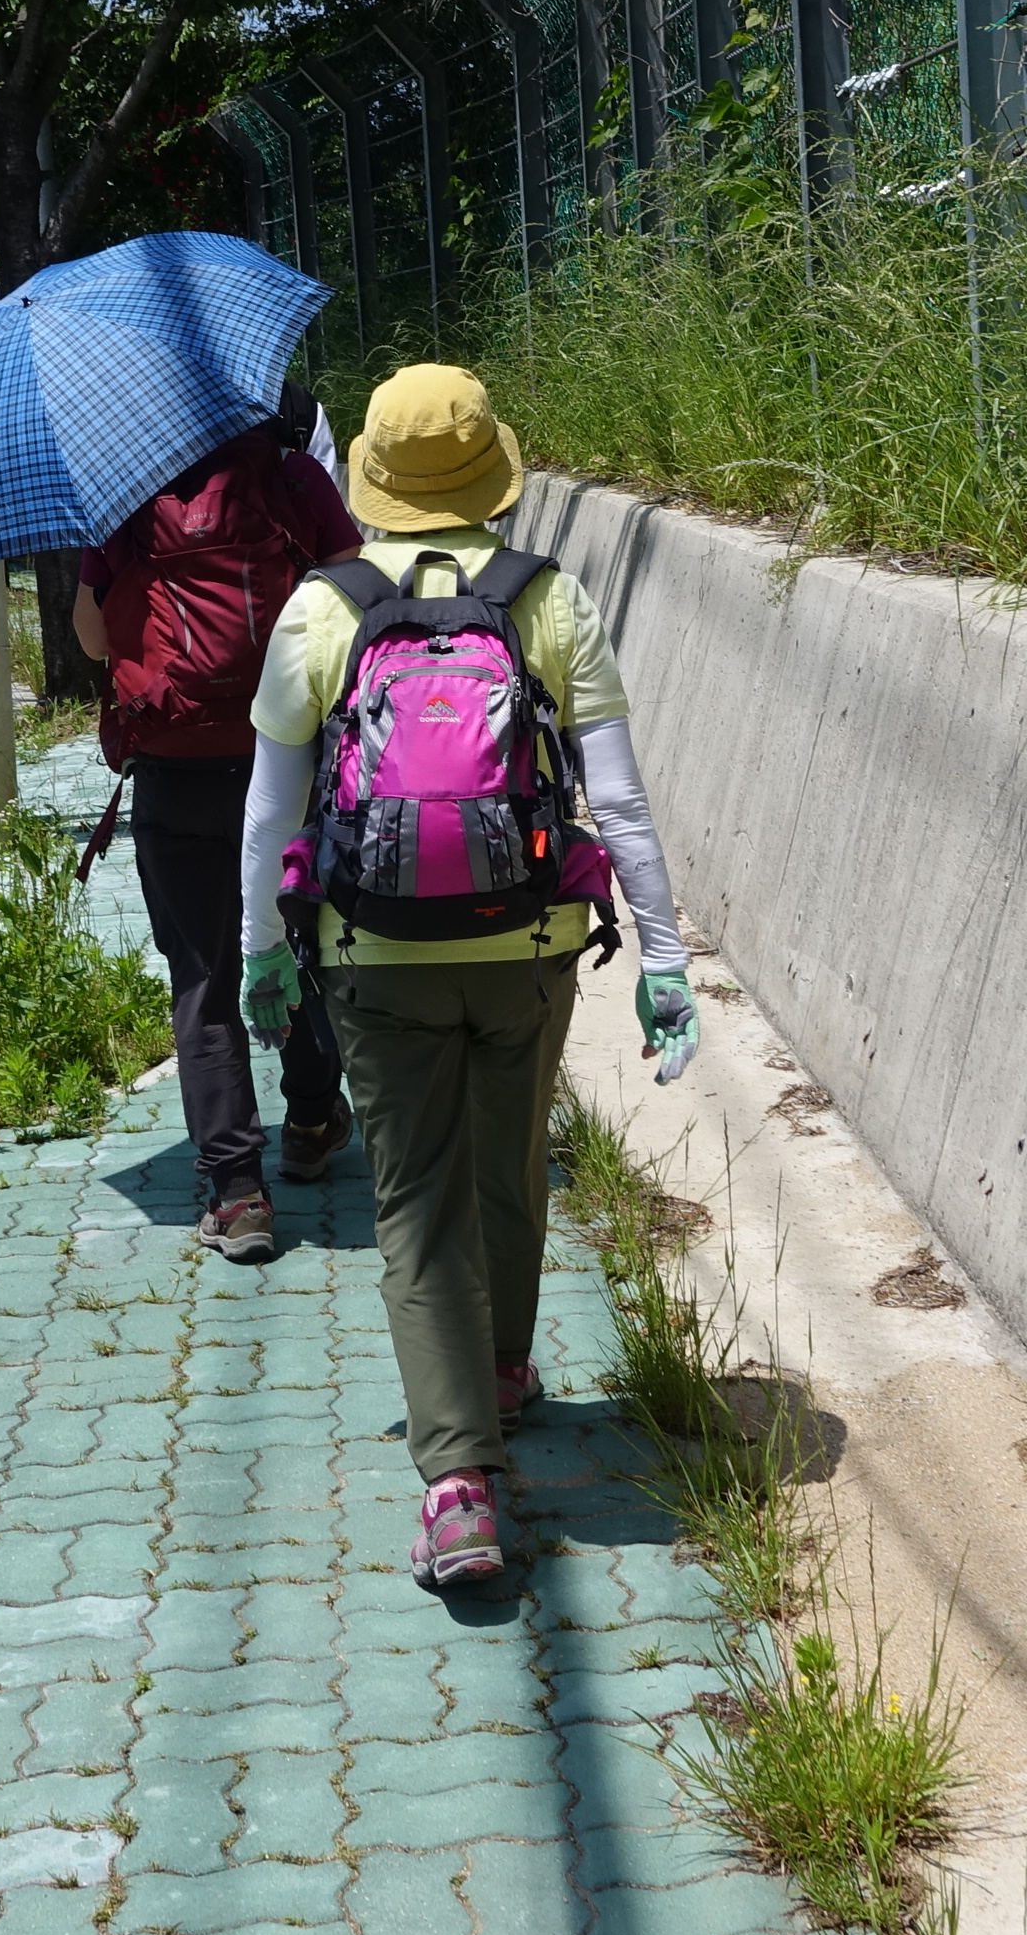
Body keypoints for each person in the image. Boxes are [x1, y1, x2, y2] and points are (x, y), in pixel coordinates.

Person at [236, 364, 699, 1590]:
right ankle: (498, 1372)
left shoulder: (322, 609)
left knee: (415, 1200)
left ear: (371, 478)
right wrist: (663, 958)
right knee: (511, 1161)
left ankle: (456, 1487)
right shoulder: (548, 600)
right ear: (494, 470)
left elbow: (270, 810)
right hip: (529, 945)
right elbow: (620, 803)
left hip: (373, 954)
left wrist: (263, 951)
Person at [75, 387, 363, 1266]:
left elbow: (92, 640)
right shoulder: (296, 478)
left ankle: (237, 1195)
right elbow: (355, 602)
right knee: (298, 940)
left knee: (203, 976)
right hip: (291, 758)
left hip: (176, 769)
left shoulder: (125, 495)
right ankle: (309, 1121)